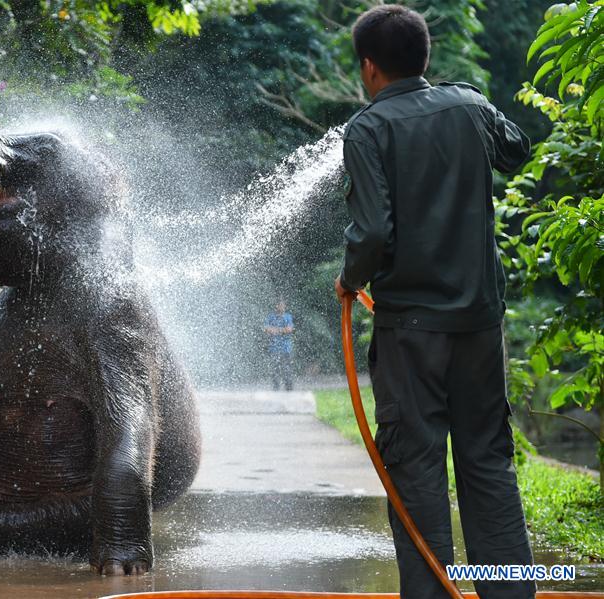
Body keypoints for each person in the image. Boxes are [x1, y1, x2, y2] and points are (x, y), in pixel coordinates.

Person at [332, 5, 535, 599]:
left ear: (369, 68)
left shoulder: (367, 129)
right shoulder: (469, 104)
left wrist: (350, 281)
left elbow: (372, 233)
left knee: (417, 472)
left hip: (412, 333)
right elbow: (517, 149)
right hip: (478, 325)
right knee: (488, 462)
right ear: (425, 57)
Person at [263, 300, 294, 391]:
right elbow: (266, 329)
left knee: (286, 369)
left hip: (285, 348)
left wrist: (276, 330)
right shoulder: (271, 317)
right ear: (276, 306)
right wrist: (282, 330)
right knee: (274, 370)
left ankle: (289, 388)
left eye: (283, 306)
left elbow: (289, 329)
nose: (282, 307)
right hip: (274, 348)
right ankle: (276, 388)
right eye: (280, 305)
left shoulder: (288, 316)